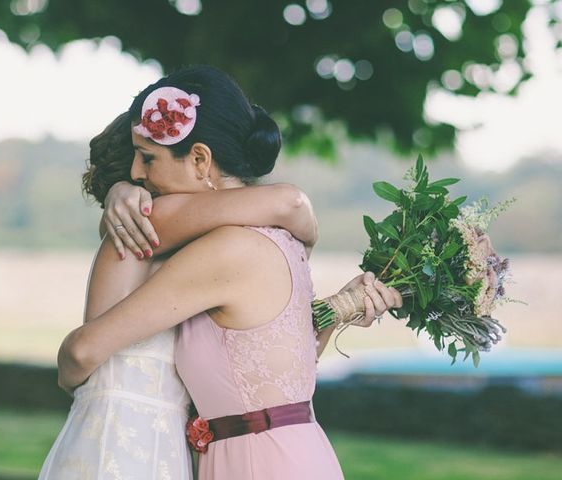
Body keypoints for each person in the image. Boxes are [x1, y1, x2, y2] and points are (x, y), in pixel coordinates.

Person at [56, 65, 401, 479]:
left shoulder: (223, 247)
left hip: (255, 461)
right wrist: (335, 308)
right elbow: (266, 373)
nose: (136, 174)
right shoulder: (282, 240)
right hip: (282, 452)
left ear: (200, 159)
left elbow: (83, 351)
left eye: (148, 158)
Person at [39, 111, 322, 479]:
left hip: (168, 451)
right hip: (118, 447)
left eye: (150, 158)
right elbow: (82, 355)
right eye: (143, 160)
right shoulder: (136, 230)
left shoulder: (198, 256)